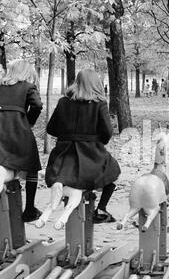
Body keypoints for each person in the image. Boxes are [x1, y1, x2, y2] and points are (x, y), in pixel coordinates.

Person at [45, 69, 121, 224]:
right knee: (113, 170)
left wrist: (66, 135)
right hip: (90, 155)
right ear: (95, 83)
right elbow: (107, 131)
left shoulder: (63, 102)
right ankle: (101, 208)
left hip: (63, 158)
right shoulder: (99, 104)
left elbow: (51, 128)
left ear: (77, 82)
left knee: (71, 177)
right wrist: (98, 141)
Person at [0, 59, 43, 222]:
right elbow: (37, 105)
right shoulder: (28, 87)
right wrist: (28, 122)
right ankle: (30, 208)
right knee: (32, 164)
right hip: (19, 130)